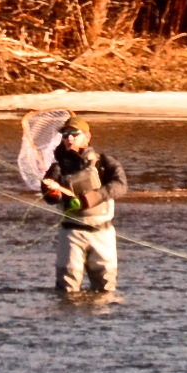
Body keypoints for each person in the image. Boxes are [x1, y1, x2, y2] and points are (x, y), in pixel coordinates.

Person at [40, 115, 128, 294]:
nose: (69, 138)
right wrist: (52, 192)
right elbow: (50, 198)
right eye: (65, 135)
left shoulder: (104, 163)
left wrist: (91, 198)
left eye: (74, 133)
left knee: (106, 290)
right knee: (67, 291)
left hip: (102, 235)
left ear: (87, 137)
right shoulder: (57, 168)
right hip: (71, 234)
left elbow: (121, 186)